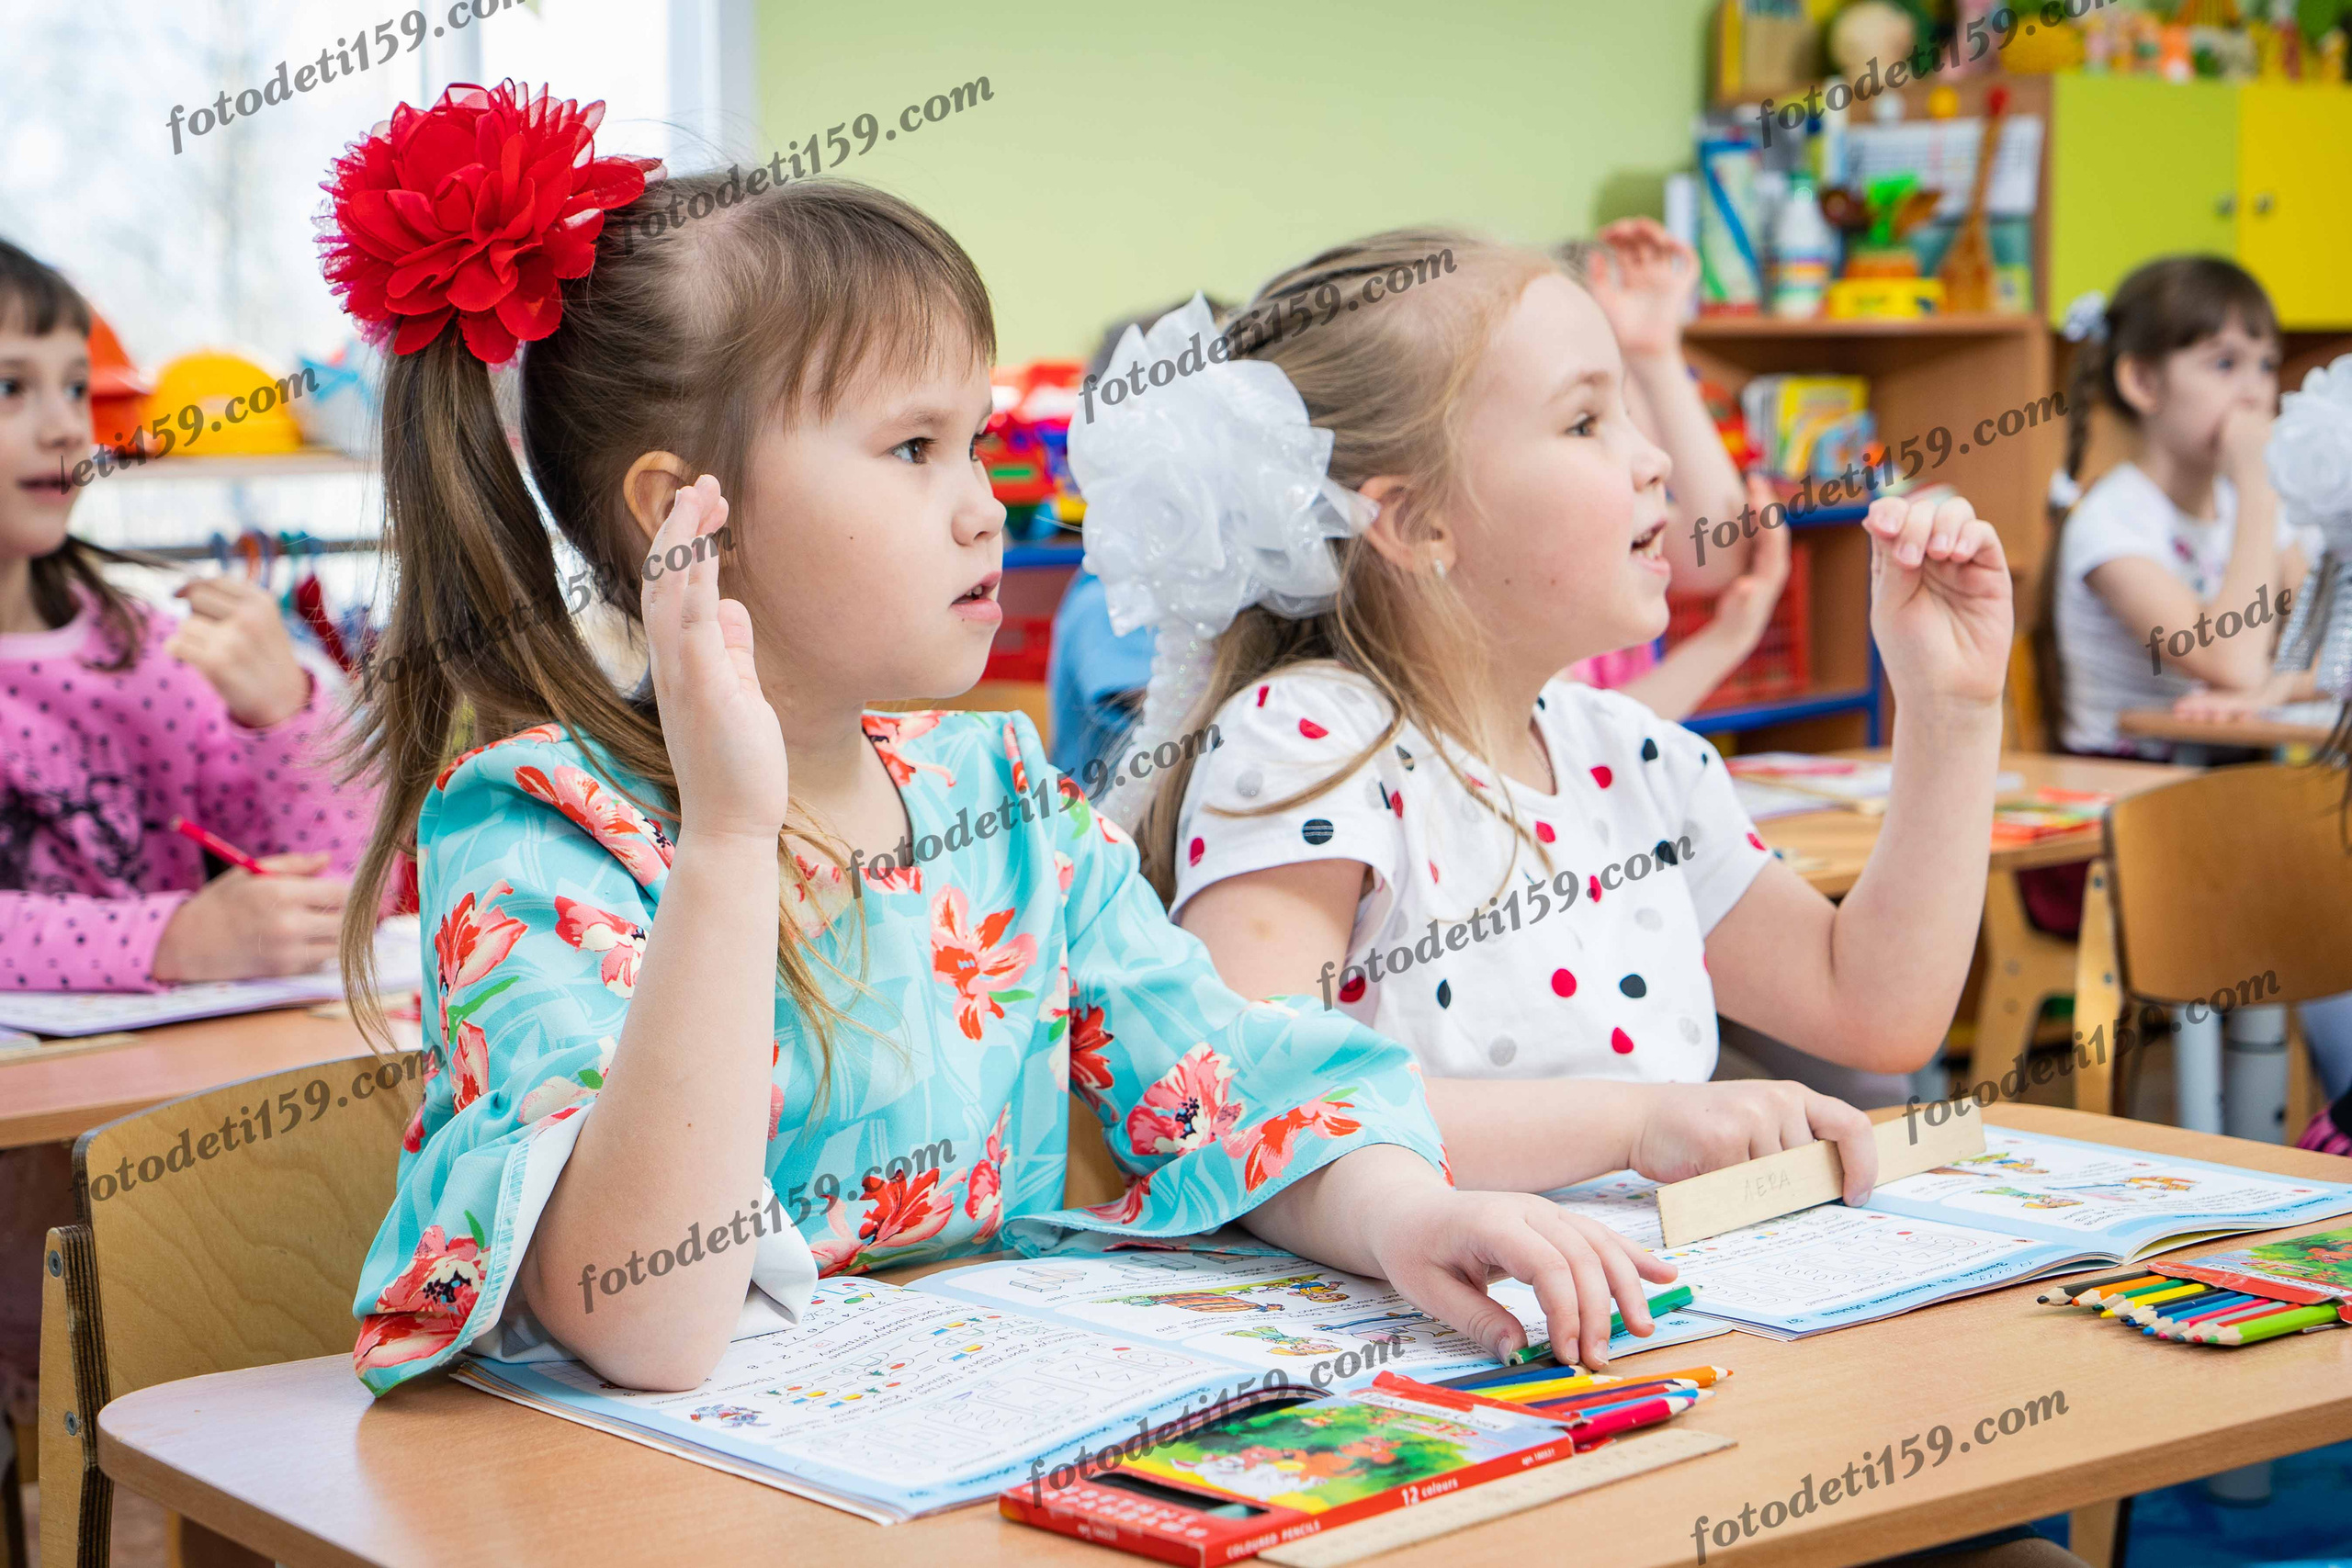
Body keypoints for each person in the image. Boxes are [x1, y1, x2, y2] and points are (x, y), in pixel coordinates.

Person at [327, 84, 1681, 1400]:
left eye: (975, 439)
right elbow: (650, 1316)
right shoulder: (538, 826)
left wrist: (1404, 1217)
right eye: (913, 447)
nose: (985, 508)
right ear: (690, 514)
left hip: (963, 1454)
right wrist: (734, 838)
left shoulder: (1001, 795)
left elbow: (1230, 1083)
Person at [1074, 229, 2012, 1202]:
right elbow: (1249, 1098)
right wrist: (1635, 1123)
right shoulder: (1310, 736)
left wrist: (1950, 709)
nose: (1653, 459)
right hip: (1409, 1340)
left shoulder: (1638, 758)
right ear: (1415, 523)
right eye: (1584, 423)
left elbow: (1872, 1012)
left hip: (1650, 1325)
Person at [0, 237, 369, 1437]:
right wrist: (176, 935)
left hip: (186, 1150)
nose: (66, 428)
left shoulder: (142, 647)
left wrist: (290, 718)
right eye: (13, 387)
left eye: (74, 385)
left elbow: (341, 885)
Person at [2036, 259, 2313, 760]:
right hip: (2131, 791)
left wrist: (2279, 690)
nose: (2254, 393)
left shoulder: (2248, 508)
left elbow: (2330, 650)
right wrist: (2257, 482)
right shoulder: (2109, 522)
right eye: (2225, 364)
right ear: (2143, 381)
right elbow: (2233, 663)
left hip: (2230, 779)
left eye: (2267, 364)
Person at [1556, 221, 1791, 723]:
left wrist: (1656, 355)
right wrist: (1729, 638)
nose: (1655, 460)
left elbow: (1715, 554)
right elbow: (1577, 742)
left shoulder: (1612, 551)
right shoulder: (1527, 579)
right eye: (1587, 421)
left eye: (1628, 406)